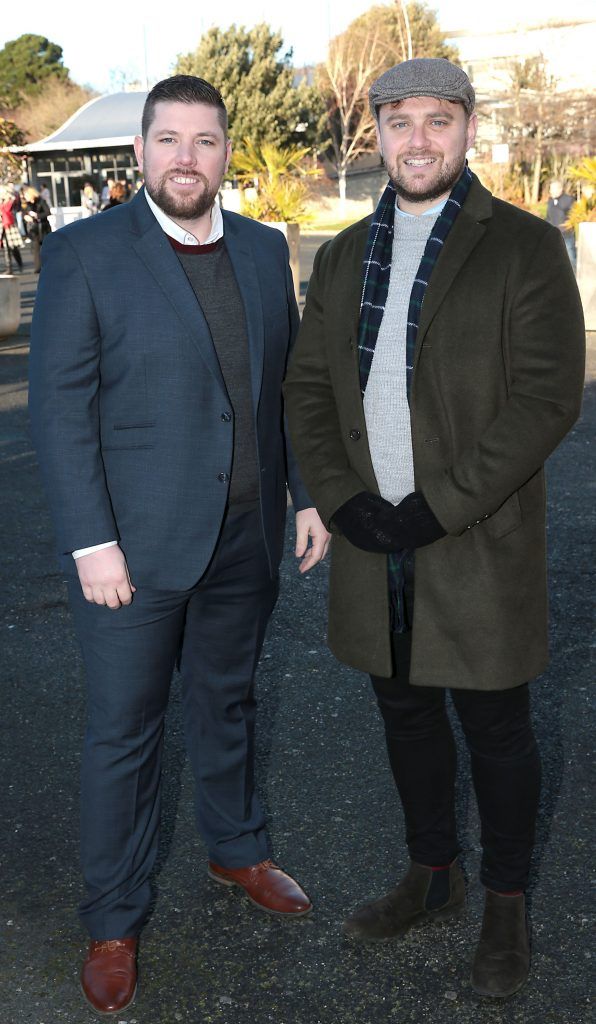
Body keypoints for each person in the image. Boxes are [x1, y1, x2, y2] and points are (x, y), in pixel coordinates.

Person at [284, 58, 585, 1000]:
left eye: (438, 120)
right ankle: (431, 874)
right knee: (404, 713)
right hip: (375, 544)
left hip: (474, 539)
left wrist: (442, 504)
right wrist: (341, 499)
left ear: (468, 129)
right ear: (374, 131)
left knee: (496, 728)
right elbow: (306, 390)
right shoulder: (342, 254)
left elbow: (544, 400)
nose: (418, 139)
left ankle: (504, 905)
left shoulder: (526, 247)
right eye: (399, 120)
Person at [29, 74, 329, 1016]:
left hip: (245, 537)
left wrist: (306, 499)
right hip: (133, 550)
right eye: (169, 140)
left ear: (226, 153)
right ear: (141, 152)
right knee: (125, 736)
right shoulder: (85, 255)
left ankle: (236, 848)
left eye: (205, 141)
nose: (186, 158)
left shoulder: (260, 246)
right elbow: (60, 409)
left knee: (228, 703)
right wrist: (91, 544)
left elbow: (282, 388)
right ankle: (112, 919)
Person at [545, 179, 576, 271]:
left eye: (552, 189)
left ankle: (573, 279)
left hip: (566, 235)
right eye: (550, 189)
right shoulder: (550, 201)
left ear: (560, 189)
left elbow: (573, 217)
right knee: (554, 259)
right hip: (553, 235)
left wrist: (566, 227)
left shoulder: (569, 200)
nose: (550, 191)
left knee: (570, 258)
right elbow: (548, 217)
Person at [21, 186, 51, 272]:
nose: (25, 197)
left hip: (44, 228)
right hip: (34, 229)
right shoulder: (27, 204)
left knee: (46, 248)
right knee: (36, 248)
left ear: (30, 194)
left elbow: (48, 212)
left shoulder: (41, 201)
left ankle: (48, 265)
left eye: (26, 195)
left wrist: (37, 215)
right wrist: (26, 217)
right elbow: (23, 213)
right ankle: (37, 268)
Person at [0, 186, 24, 272]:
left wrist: (8, 197)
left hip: (10, 226)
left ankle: (20, 263)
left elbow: (9, 209)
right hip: (2, 226)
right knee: (6, 248)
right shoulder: (2, 202)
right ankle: (9, 268)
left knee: (13, 247)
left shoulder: (11, 201)